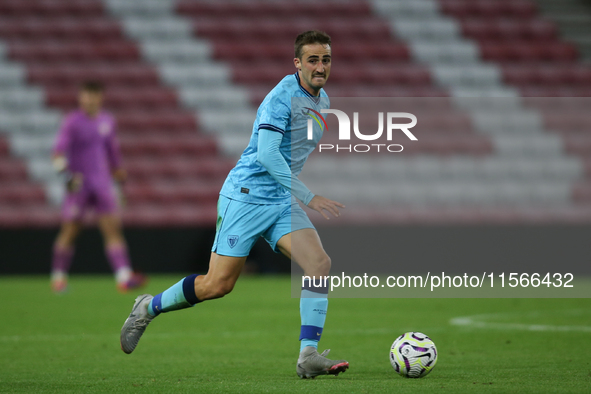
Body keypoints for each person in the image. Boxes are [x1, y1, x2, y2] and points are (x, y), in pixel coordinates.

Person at [120, 31, 349, 379]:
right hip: (245, 196)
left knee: (318, 264)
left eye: (326, 59)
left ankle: (308, 355)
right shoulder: (281, 97)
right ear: (298, 63)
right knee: (218, 286)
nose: (320, 66)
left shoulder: (322, 101)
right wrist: (308, 196)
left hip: (277, 201)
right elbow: (269, 155)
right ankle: (147, 308)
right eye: (313, 59)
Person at [50, 81, 146, 294]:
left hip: (102, 183)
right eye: (86, 96)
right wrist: (66, 175)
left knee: (112, 228)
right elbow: (58, 152)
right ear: (81, 98)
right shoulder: (72, 122)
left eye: (93, 96)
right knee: (71, 229)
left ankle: (123, 277)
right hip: (79, 184)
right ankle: (58, 277)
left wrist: (120, 179)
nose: (90, 100)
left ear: (100, 98)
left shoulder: (107, 121)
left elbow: (113, 152)